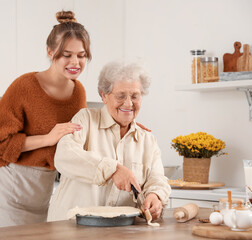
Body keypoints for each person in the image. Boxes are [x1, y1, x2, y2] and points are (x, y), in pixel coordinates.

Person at [0, 10, 91, 230]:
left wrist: (123, 126)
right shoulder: (25, 86)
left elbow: (81, 137)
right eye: (66, 54)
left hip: (43, 196)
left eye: (82, 55)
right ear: (50, 51)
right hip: (7, 196)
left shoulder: (79, 92)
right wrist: (47, 139)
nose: (75, 62)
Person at [47, 60, 171, 222]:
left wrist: (156, 196)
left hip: (119, 233)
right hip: (71, 229)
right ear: (104, 96)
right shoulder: (85, 119)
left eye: (135, 96)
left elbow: (157, 178)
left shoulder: (147, 140)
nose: (128, 103)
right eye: (120, 96)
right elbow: (64, 156)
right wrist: (112, 169)